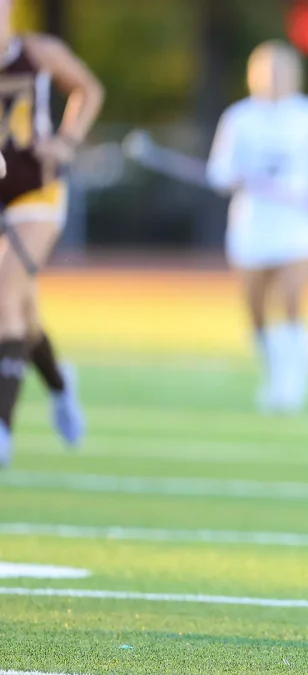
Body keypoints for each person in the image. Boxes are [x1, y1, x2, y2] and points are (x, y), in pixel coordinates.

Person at [206, 40, 308, 415]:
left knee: (291, 300)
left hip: (299, 227)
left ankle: (292, 384)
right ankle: (274, 373)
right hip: (252, 227)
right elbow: (219, 171)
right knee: (255, 309)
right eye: (264, 71)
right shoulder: (239, 117)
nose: (272, 78)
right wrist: (236, 176)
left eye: (280, 70)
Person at [0, 0, 103, 467]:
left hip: (36, 191)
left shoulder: (37, 52)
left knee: (4, 295)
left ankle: (2, 426)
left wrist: (66, 141)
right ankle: (60, 385)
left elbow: (88, 89)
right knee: (22, 310)